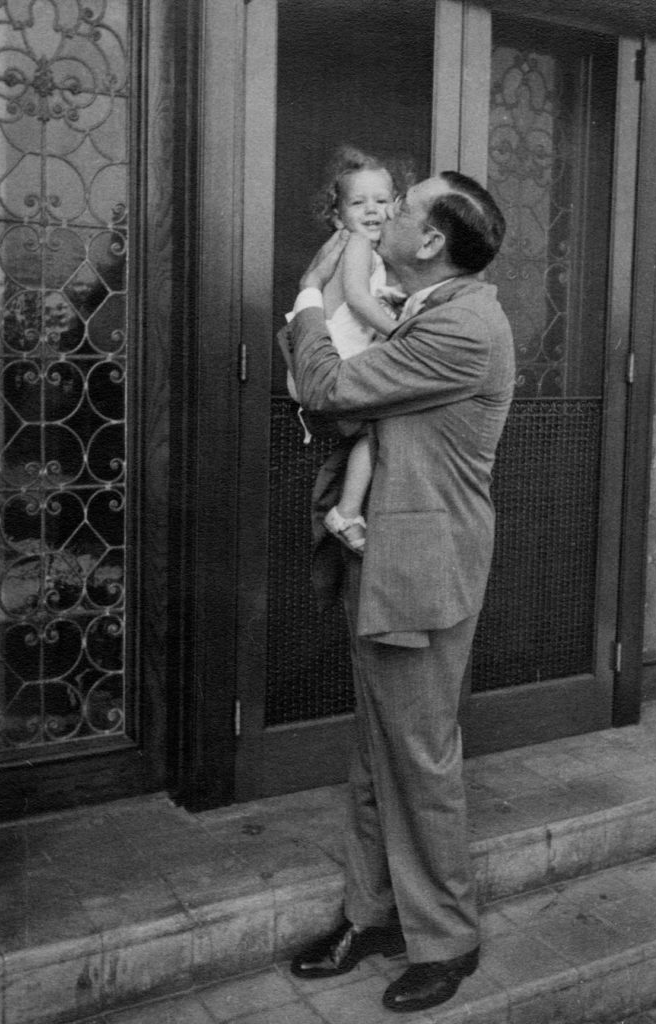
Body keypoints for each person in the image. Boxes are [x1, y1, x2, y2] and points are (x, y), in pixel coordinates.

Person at [281, 171, 515, 1013]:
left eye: (407, 205)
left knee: (419, 758)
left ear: (432, 241)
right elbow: (358, 409)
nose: (389, 212)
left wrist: (307, 301)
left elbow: (329, 389)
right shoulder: (428, 310)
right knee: (378, 755)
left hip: (422, 571)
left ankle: (448, 939)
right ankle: (372, 916)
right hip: (385, 561)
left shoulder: (462, 325)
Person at [286, 146, 406, 555]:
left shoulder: (372, 253)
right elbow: (357, 299)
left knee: (376, 428)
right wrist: (402, 332)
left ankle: (347, 510)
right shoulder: (356, 244)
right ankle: (347, 511)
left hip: (330, 366)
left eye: (382, 200)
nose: (372, 210)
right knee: (384, 422)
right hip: (326, 366)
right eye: (358, 203)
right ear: (338, 216)